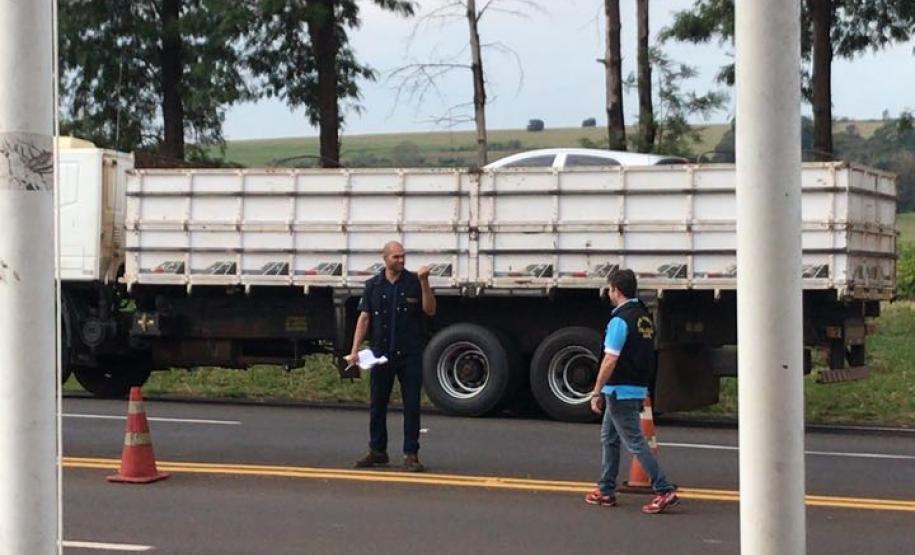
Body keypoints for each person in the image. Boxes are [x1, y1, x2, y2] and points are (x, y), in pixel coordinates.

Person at [585, 268, 679, 514]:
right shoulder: (643, 317)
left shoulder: (619, 320)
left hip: (619, 390)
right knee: (609, 438)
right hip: (636, 386)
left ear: (616, 290)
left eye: (610, 289)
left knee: (635, 442)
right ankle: (605, 489)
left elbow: (610, 359)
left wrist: (596, 391)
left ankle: (664, 488)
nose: (609, 293)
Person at [346, 241, 436, 472]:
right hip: (381, 354)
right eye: (396, 257)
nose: (401, 261)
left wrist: (425, 282)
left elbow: (429, 310)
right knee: (378, 403)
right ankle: (378, 450)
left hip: (409, 353)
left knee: (411, 405)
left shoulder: (414, 282)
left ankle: (411, 453)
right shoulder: (373, 285)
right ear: (385, 258)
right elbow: (364, 318)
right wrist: (355, 350)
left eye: (403, 256)